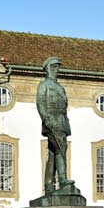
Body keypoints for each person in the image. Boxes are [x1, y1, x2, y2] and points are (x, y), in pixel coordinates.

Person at [36, 56, 74, 194]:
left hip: (62, 120)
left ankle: (48, 185)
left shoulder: (60, 87)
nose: (57, 70)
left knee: (53, 153)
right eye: (54, 67)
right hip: (51, 119)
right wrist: (47, 119)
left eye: (57, 67)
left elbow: (64, 105)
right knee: (60, 148)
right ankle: (63, 180)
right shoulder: (44, 85)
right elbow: (40, 103)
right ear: (47, 69)